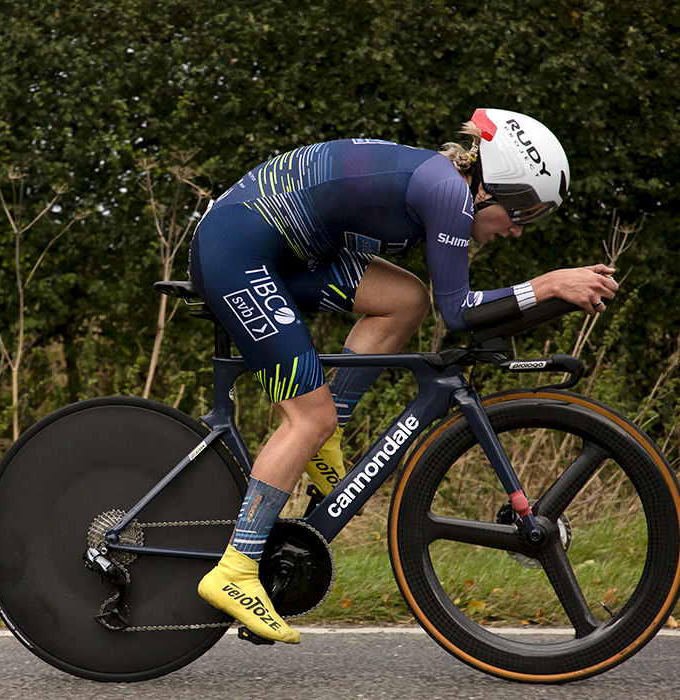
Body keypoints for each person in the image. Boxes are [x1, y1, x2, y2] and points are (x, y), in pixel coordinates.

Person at [189, 108, 619, 644]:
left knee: (404, 299)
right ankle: (236, 568)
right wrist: (551, 284)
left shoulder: (447, 187)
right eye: (520, 213)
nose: (515, 230)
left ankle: (328, 438)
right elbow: (459, 313)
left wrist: (552, 297)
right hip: (237, 250)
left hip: (284, 249)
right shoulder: (448, 195)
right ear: (493, 188)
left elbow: (448, 310)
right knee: (307, 417)